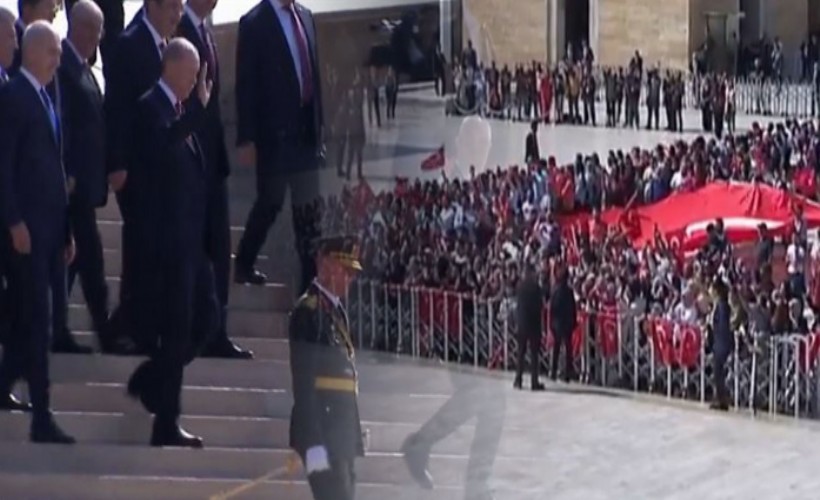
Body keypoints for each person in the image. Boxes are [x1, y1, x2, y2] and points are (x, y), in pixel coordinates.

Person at [125, 38, 219, 447]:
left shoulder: (182, 113)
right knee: (179, 330)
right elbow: (161, 152)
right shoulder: (151, 108)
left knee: (206, 320)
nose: (198, 79)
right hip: (165, 246)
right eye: (193, 70)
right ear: (174, 67)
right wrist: (197, 109)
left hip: (190, 245)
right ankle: (166, 422)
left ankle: (150, 380)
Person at [0, 21, 75, 443]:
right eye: (52, 51)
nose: (57, 59)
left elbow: (55, 169)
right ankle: (42, 418)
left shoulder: (48, 97)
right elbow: (4, 166)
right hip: (25, 232)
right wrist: (13, 221)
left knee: (27, 319)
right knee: (38, 322)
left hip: (50, 232)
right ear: (31, 52)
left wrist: (66, 232)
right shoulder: (12, 97)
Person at [105, 0, 184, 353]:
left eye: (180, 8)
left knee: (153, 248)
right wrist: (117, 161)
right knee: (139, 245)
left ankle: (140, 324)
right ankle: (124, 327)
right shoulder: (129, 43)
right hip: (135, 167)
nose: (176, 14)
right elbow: (118, 108)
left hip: (162, 171)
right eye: (171, 7)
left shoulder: (167, 46)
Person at [176, 0, 252, 359]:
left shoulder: (207, 30)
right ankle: (199, 330)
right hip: (190, 162)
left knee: (221, 249)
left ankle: (216, 331)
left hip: (213, 162)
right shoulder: (181, 30)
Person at [234, 0, 325, 292]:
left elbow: (314, 75)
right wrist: (247, 136)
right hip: (275, 135)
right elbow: (246, 84)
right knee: (269, 203)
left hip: (306, 135)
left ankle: (309, 286)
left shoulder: (306, 17)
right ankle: (244, 262)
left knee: (309, 215)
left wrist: (319, 128)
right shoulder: (254, 23)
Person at [59, 0, 129, 354]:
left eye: (98, 31)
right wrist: (67, 174)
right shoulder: (63, 67)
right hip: (71, 185)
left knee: (76, 263)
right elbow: (64, 126)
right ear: (74, 26)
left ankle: (60, 329)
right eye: (89, 28)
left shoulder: (86, 70)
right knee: (90, 260)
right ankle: (103, 331)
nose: (94, 37)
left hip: (86, 184)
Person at [289, 235, 364, 500]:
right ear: (328, 267)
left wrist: (353, 430)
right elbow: (304, 383)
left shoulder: (334, 310)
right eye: (346, 271)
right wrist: (313, 442)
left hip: (340, 433)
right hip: (323, 432)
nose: (350, 279)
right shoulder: (309, 312)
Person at [513, 261, 545, 391]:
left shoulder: (520, 287)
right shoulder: (536, 288)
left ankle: (518, 379)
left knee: (520, 353)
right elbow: (539, 306)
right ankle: (534, 381)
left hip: (522, 324)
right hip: (533, 325)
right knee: (534, 355)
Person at [10, 0, 58, 75]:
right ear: (27, 10)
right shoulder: (11, 42)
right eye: (48, 7)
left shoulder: (48, 44)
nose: (54, 14)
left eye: (54, 8)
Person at [549, 264, 577, 382]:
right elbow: (573, 307)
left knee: (556, 348)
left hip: (557, 323)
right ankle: (567, 373)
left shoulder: (555, 290)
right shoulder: (569, 291)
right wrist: (573, 321)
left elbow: (552, 307)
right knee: (568, 349)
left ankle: (554, 371)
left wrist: (551, 322)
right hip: (567, 323)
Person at [710, 278, 734, 411]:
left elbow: (723, 325)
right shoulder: (719, 305)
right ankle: (719, 397)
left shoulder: (722, 306)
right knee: (717, 371)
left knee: (719, 372)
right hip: (718, 341)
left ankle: (722, 399)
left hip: (721, 342)